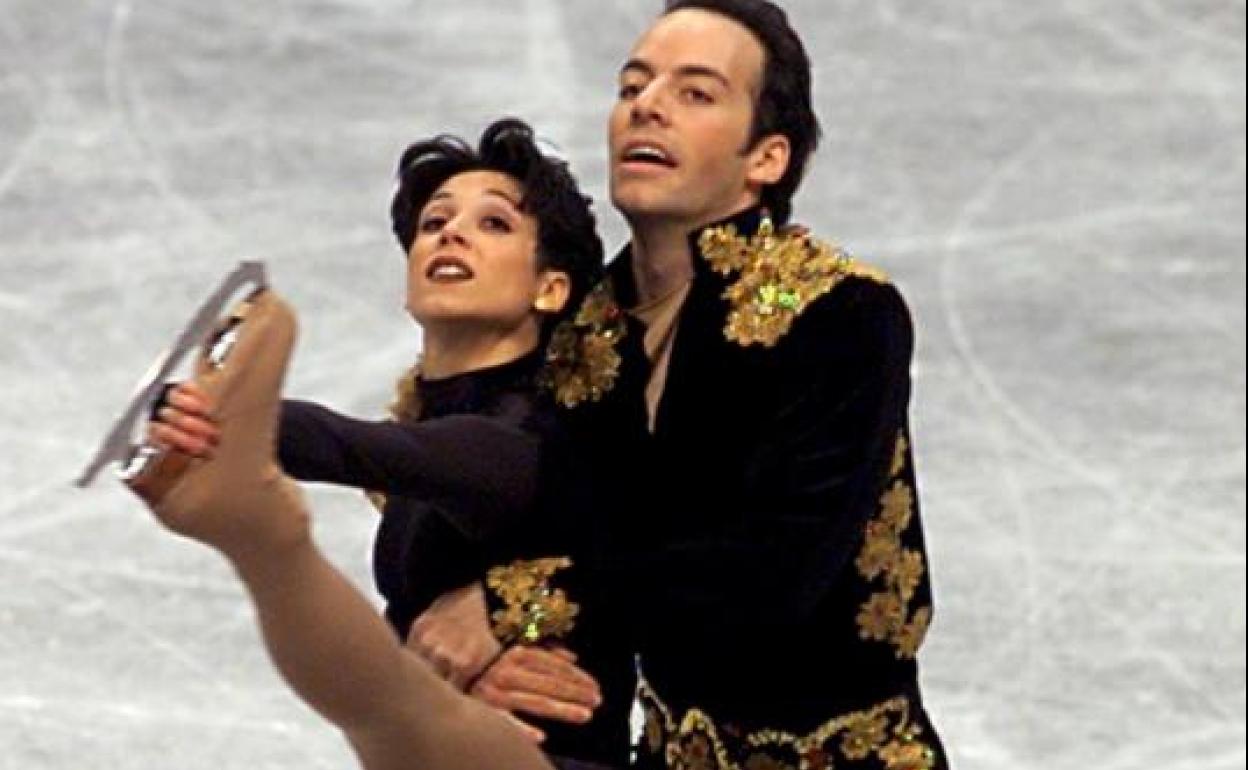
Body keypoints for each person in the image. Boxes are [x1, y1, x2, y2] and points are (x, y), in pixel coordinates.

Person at [419, 3, 950, 768]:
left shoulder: (839, 314)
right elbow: (523, 518)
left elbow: (773, 572)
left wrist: (513, 608)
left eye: (695, 93)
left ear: (766, 158)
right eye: (632, 86)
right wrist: (491, 656)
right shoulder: (585, 328)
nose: (648, 106)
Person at [139, 118, 642, 770]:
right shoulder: (447, 426)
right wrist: (439, 684)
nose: (451, 233)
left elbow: (357, 448)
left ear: (550, 288)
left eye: (494, 223)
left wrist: (228, 412)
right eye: (434, 222)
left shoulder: (524, 435)